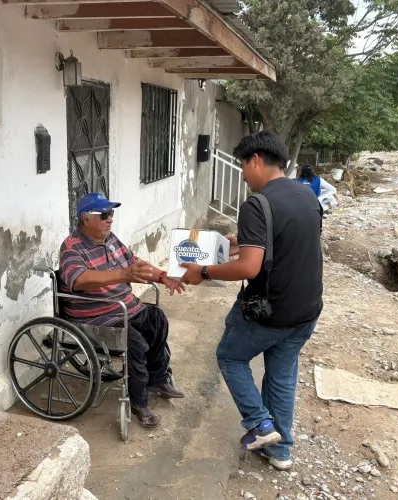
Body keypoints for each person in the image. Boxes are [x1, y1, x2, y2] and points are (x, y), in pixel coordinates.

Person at [180, 132, 323, 471]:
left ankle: (260, 424)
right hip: (307, 309)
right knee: (282, 374)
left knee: (229, 356)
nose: (242, 173)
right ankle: (280, 451)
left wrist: (201, 272)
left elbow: (249, 267)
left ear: (256, 159)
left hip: (270, 311)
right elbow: (289, 238)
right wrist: (243, 239)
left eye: (243, 165)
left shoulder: (256, 204)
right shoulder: (307, 195)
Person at [59, 192, 185, 428]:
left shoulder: (110, 239)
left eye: (112, 213)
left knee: (157, 320)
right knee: (135, 341)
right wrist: (123, 275)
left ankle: (157, 378)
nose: (110, 219)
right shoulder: (72, 248)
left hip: (125, 307)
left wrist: (163, 276)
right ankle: (139, 402)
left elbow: (134, 263)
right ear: (85, 218)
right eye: (104, 214)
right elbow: (79, 279)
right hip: (99, 316)